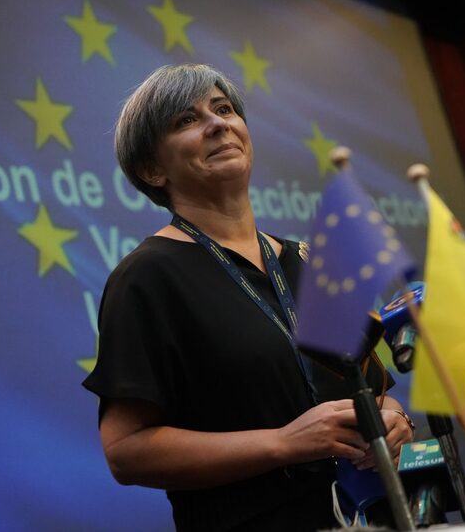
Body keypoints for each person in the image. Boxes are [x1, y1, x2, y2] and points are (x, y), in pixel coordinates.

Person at [83, 64, 414, 531]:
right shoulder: (146, 277)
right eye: (186, 120)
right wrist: (284, 442)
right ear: (152, 169)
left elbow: (378, 395)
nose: (218, 123)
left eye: (224, 109)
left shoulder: (313, 261)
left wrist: (396, 419)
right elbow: (126, 450)